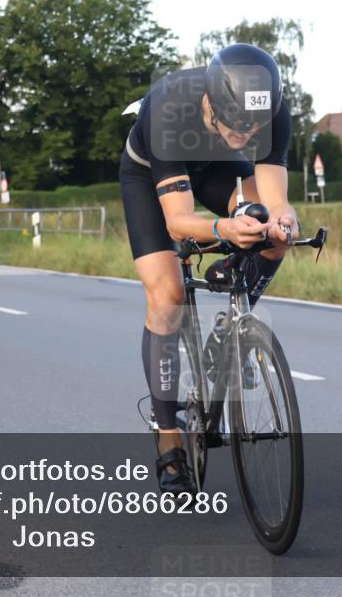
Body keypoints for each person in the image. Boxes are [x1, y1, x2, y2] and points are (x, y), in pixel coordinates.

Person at [119, 44, 298, 493]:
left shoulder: (271, 106)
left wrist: (283, 220)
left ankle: (228, 330)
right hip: (150, 174)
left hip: (216, 166)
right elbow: (179, 221)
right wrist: (222, 228)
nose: (247, 134)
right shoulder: (169, 108)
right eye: (237, 126)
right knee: (168, 298)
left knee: (269, 231)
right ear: (211, 104)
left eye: (254, 128)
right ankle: (168, 440)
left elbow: (276, 199)